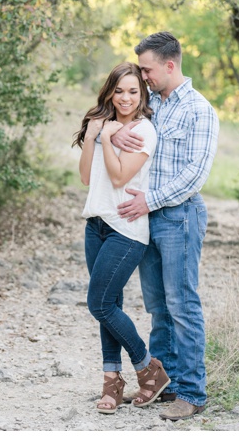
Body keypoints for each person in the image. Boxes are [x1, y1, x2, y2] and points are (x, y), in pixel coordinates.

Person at [112, 32, 219, 421]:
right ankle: (167, 383)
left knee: (182, 305)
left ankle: (192, 393)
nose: (143, 76)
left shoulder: (199, 110)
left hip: (179, 217)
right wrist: (116, 131)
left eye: (147, 68)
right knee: (158, 306)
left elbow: (195, 174)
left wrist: (149, 201)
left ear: (169, 65)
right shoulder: (151, 103)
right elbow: (125, 132)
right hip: (147, 218)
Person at [73, 62, 170, 415]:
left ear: (142, 94)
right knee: (108, 307)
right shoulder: (100, 125)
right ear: (109, 92)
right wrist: (95, 134)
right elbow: (86, 177)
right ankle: (111, 382)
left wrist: (109, 137)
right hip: (95, 223)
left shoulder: (144, 131)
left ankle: (149, 368)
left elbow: (117, 178)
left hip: (126, 229)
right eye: (119, 90)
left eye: (133, 91)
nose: (126, 97)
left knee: (98, 303)